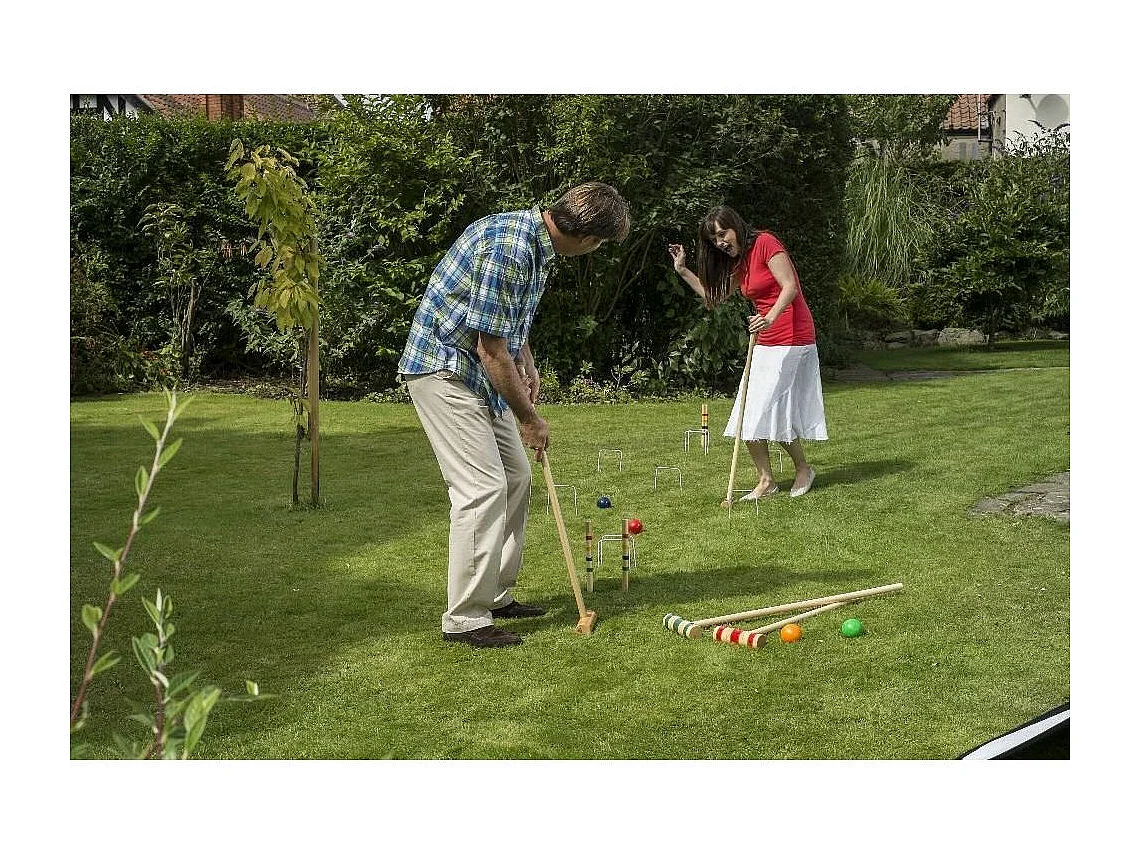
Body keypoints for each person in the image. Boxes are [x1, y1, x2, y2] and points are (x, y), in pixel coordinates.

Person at [398, 182, 631, 648]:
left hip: (479, 370)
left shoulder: (535, 246)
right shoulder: (511, 249)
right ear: (586, 237)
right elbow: (489, 348)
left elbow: (507, 327)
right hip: (444, 370)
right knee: (481, 488)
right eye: (601, 244)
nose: (596, 251)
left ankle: (496, 594)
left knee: (518, 476)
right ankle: (464, 618)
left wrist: (528, 363)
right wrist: (529, 417)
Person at [668, 205, 827, 501]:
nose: (720, 242)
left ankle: (803, 468)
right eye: (714, 239)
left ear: (736, 226)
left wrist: (769, 317)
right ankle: (766, 480)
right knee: (748, 410)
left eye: (722, 233)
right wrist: (682, 270)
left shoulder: (766, 243)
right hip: (765, 339)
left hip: (793, 336)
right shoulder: (740, 263)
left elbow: (790, 287)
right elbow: (713, 298)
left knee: (772, 408)